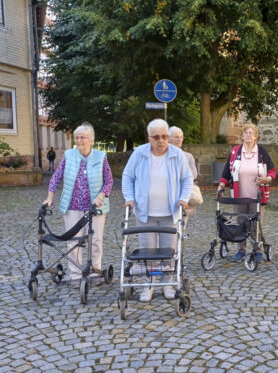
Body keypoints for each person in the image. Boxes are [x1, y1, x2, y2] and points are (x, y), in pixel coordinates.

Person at [122, 119, 193, 302]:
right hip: (146, 213)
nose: (161, 141)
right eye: (156, 137)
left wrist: (183, 198)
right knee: (149, 251)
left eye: (164, 136)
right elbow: (128, 176)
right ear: (149, 138)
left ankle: (168, 283)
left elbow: (187, 179)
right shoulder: (139, 153)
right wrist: (129, 198)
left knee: (168, 250)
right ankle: (149, 284)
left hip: (170, 213)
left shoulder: (177, 155)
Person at [43, 123, 113, 287]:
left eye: (83, 137)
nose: (79, 140)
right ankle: (75, 275)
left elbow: (109, 180)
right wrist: (49, 197)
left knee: (95, 240)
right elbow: (56, 177)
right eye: (77, 137)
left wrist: (101, 195)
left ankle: (95, 272)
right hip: (72, 205)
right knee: (73, 241)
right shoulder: (69, 155)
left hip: (95, 208)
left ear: (92, 140)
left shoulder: (100, 156)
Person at [218, 123, 276, 263]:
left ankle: (257, 251)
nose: (248, 135)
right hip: (239, 195)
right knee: (240, 222)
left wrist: (266, 179)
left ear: (256, 136)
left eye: (251, 133)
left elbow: (272, 171)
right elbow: (227, 170)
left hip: (257, 195)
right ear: (242, 135)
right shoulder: (235, 151)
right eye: (246, 133)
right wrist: (221, 185)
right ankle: (241, 250)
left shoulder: (262, 152)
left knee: (256, 224)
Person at [169, 126, 198, 238]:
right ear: (169, 138)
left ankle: (179, 244)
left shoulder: (188, 156)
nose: (179, 139)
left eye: (181, 137)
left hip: (184, 195)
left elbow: (194, 174)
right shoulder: (163, 155)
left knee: (182, 223)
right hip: (168, 195)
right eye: (176, 137)